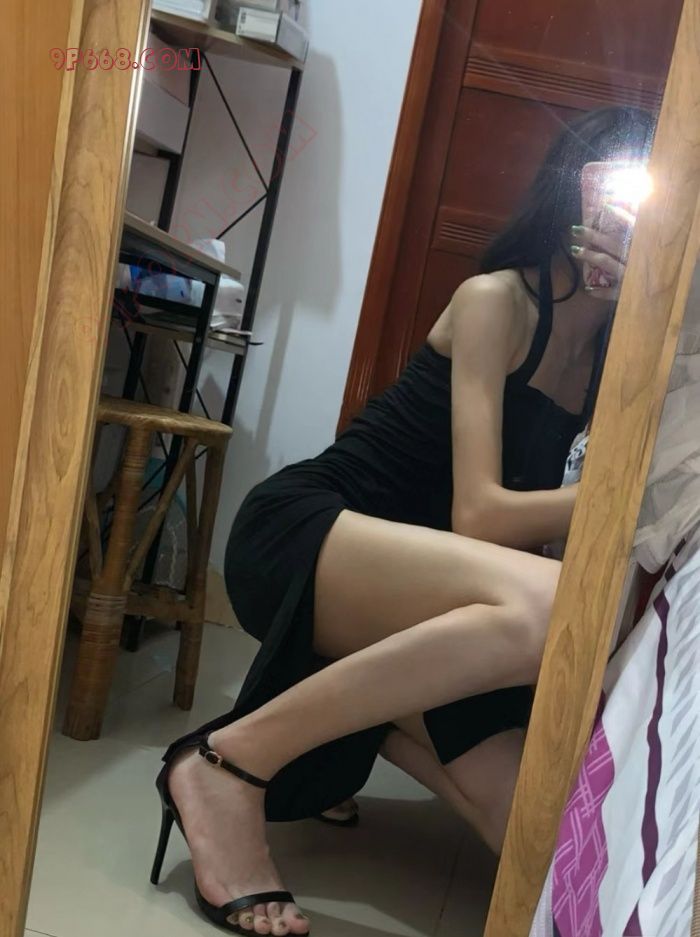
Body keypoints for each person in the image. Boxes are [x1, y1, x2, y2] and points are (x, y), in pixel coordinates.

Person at [151, 106, 655, 936]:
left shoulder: (622, 359)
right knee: (559, 605)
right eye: (614, 194)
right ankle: (229, 762)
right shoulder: (496, 300)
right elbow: (480, 514)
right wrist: (634, 499)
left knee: (546, 837)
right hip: (309, 536)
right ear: (574, 192)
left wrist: (655, 304)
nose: (622, 223)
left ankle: (364, 718)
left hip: (433, 608)